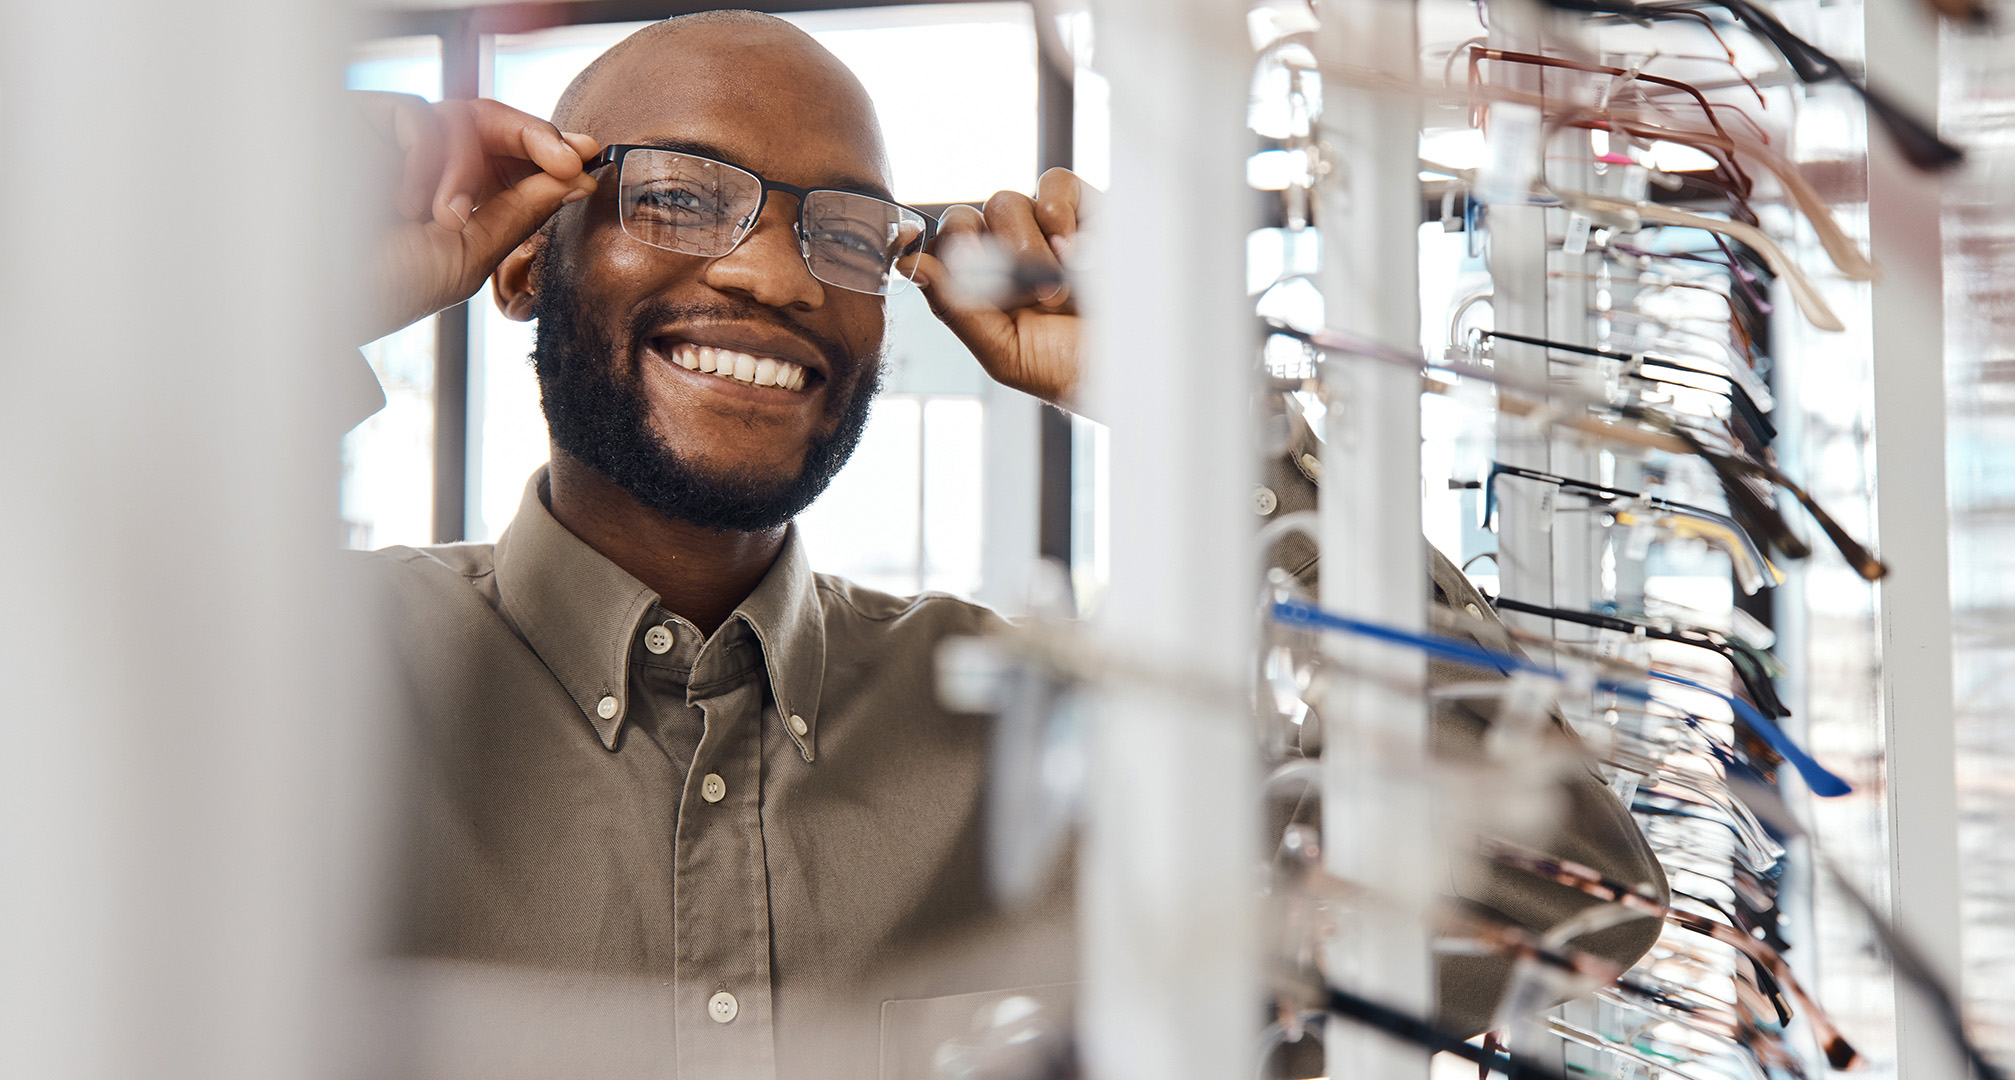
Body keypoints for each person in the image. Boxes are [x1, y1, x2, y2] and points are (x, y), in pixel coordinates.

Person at [347, 11, 1661, 1078]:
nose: (778, 278)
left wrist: (1214, 419)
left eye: (843, 231)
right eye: (681, 197)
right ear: (523, 263)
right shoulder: (313, 675)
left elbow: (1547, 895)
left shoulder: (1043, 740)